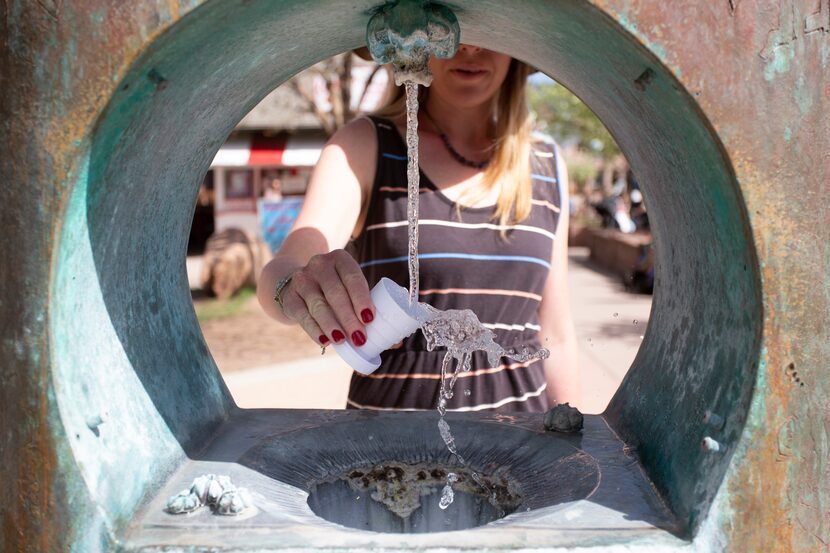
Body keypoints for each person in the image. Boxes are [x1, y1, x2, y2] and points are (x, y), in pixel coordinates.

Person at [257, 45, 580, 412]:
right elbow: (284, 268)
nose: (471, 48)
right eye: (452, 29)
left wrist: (573, 446)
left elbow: (557, 335)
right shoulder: (364, 145)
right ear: (415, 42)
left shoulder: (547, 165)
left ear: (515, 46)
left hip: (522, 452)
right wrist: (296, 287)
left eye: (488, 29)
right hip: (387, 456)